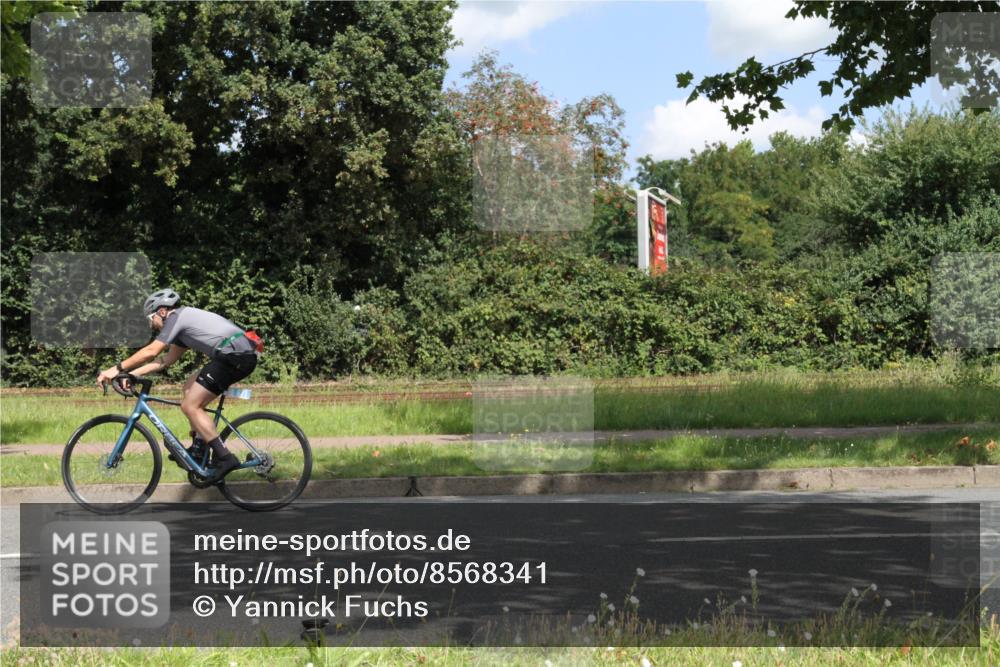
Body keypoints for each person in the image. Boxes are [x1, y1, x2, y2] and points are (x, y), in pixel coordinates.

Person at [96, 288, 258, 482]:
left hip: (235, 356)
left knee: (190, 405)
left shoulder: (177, 318)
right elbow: (165, 361)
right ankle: (199, 449)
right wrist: (129, 374)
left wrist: (115, 369)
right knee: (189, 387)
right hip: (234, 355)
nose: (151, 323)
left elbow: (152, 351)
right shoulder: (181, 327)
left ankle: (225, 458)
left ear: (162, 311)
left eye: (151, 317)